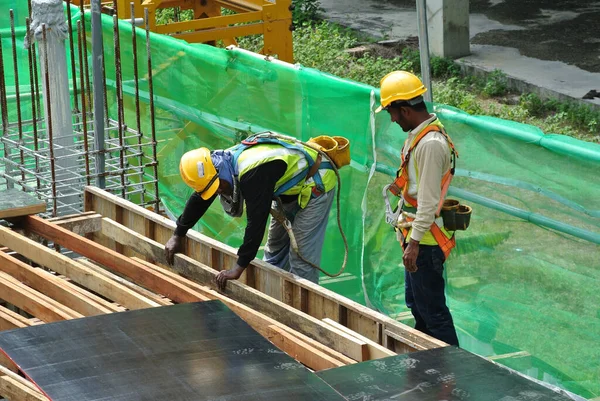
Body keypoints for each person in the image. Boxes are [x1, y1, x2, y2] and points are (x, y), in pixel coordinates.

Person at [164, 132, 338, 289]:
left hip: (316, 184)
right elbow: (201, 198)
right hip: (286, 189)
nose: (218, 192)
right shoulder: (219, 164)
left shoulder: (252, 174)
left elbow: (256, 222)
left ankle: (303, 315)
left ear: (216, 172)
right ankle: (273, 297)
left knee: (301, 259)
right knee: (275, 249)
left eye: (218, 188)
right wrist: (178, 234)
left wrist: (239, 267)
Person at [377, 71, 460, 346]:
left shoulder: (431, 144)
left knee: (433, 313)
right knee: (417, 305)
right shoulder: (419, 135)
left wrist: (413, 245)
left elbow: (427, 203)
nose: (391, 119)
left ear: (405, 110)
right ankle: (430, 368)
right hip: (416, 237)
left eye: (392, 113)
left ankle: (451, 374)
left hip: (424, 241)